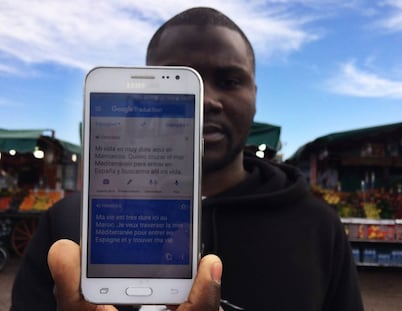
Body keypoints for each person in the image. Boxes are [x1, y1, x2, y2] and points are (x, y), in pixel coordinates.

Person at [11, 7, 364, 311]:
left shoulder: (316, 226)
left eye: (229, 80)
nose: (207, 100)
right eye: (181, 81)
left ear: (254, 96)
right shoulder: (71, 226)